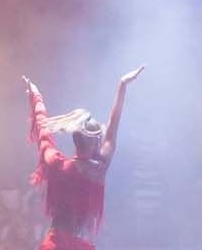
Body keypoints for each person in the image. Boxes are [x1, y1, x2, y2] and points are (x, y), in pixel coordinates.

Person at [23, 66, 145, 250]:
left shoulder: (57, 164)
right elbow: (112, 130)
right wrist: (122, 86)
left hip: (56, 243)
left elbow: (43, 132)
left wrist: (36, 98)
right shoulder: (98, 169)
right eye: (99, 137)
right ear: (94, 142)